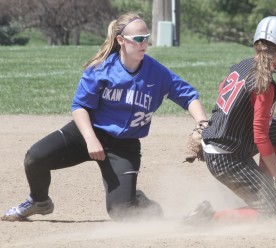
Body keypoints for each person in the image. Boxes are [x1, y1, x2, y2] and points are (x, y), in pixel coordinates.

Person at [1, 12, 208, 222]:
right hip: (86, 133)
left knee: (121, 211)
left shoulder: (157, 73)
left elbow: (188, 96)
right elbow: (80, 107)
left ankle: (139, 203)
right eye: (138, 39)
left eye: (146, 37)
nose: (143, 43)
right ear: (121, 40)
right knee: (35, 158)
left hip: (123, 146)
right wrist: (91, 138)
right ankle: (39, 201)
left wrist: (201, 123)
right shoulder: (102, 68)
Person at [183, 16, 276, 225]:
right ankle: (207, 218)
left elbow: (221, 95)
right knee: (275, 214)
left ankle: (262, 184)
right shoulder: (265, 85)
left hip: (226, 143)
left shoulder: (242, 66)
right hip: (225, 158)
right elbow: (261, 137)